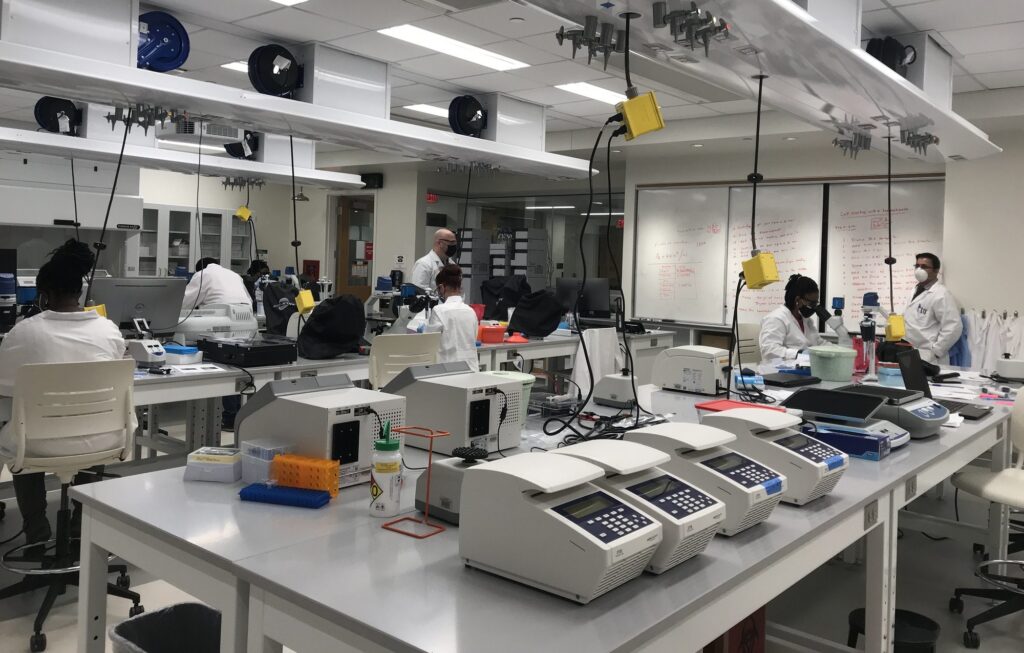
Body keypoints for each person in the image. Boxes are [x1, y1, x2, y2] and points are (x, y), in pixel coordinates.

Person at [0, 240, 131, 549]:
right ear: (79, 292)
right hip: (104, 443)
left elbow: (5, 387)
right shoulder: (109, 330)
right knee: (91, 422)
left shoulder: (24, 332)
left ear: (43, 295)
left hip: (38, 446)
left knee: (20, 428)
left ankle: (37, 531)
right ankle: (80, 523)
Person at [408, 264, 479, 371]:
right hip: (471, 369)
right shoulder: (470, 311)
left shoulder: (439, 310)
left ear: (441, 287)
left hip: (448, 369)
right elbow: (473, 337)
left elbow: (428, 342)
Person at [903, 252, 962, 364]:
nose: (919, 270)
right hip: (910, 351)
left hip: (929, 357)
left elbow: (954, 327)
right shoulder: (914, 290)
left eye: (924, 267)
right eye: (917, 266)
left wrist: (936, 351)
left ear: (936, 270)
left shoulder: (941, 294)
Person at [759, 274, 824, 361]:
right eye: (812, 303)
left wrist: (838, 350)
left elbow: (818, 342)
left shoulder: (806, 320)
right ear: (797, 300)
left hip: (803, 368)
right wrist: (798, 354)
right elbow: (769, 350)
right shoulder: (776, 319)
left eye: (816, 303)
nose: (814, 307)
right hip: (780, 371)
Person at [181, 257, 251, 311]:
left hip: (220, 315)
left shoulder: (202, 274)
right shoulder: (235, 275)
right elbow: (249, 299)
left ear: (200, 270)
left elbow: (185, 303)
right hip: (247, 313)